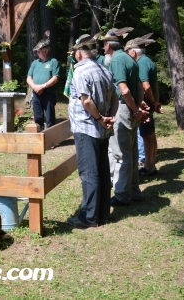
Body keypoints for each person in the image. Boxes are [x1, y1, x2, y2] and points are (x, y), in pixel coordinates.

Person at [67, 35, 119, 228]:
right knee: (103, 170)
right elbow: (115, 97)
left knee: (89, 173)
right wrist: (110, 117)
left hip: (86, 127)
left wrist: (98, 118)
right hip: (102, 128)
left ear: (79, 53)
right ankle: (103, 214)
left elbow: (86, 100)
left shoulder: (80, 71)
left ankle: (88, 217)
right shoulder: (104, 69)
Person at [101, 27, 147, 206]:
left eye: (103, 44)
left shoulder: (118, 60)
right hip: (131, 109)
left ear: (108, 45)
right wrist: (137, 108)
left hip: (123, 108)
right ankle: (134, 191)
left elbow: (124, 89)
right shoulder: (130, 58)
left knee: (120, 153)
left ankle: (121, 195)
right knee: (132, 152)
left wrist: (134, 109)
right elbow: (140, 88)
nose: (102, 47)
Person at [125, 35, 163, 177]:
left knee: (146, 135)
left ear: (133, 52)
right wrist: (156, 102)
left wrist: (152, 102)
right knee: (151, 134)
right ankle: (151, 163)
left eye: (128, 52)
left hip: (145, 104)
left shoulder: (141, 63)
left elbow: (146, 86)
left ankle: (148, 167)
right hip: (150, 103)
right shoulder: (148, 61)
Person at [26, 31, 60, 129]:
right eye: (37, 51)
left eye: (39, 51)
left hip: (48, 93)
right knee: (38, 116)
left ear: (46, 50)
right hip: (36, 93)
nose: (37, 53)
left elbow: (55, 78)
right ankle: (39, 136)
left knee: (49, 117)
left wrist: (42, 86)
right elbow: (28, 78)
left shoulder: (53, 61)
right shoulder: (35, 63)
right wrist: (35, 87)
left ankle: (51, 138)